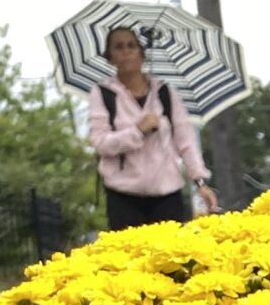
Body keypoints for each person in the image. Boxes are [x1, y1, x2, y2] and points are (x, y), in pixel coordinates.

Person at [87, 25, 216, 228]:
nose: (126, 52)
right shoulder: (103, 94)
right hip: (124, 197)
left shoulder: (164, 92)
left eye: (131, 45)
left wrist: (200, 181)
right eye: (118, 47)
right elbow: (101, 143)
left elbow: (186, 141)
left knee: (170, 257)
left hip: (167, 195)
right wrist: (137, 131)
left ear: (142, 53)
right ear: (110, 57)